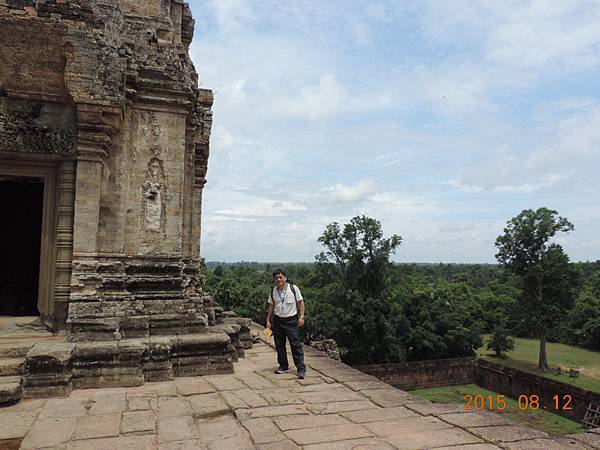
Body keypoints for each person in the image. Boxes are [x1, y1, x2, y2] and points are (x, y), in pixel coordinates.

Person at [266, 268, 306, 379]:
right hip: (278, 320)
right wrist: (268, 320)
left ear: (285, 278)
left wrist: (302, 316)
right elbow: (271, 306)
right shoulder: (273, 291)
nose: (278, 279)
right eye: (276, 278)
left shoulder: (293, 289)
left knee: (295, 344)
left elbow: (300, 302)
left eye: (280, 277)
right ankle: (283, 366)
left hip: (291, 320)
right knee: (279, 345)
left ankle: (301, 368)